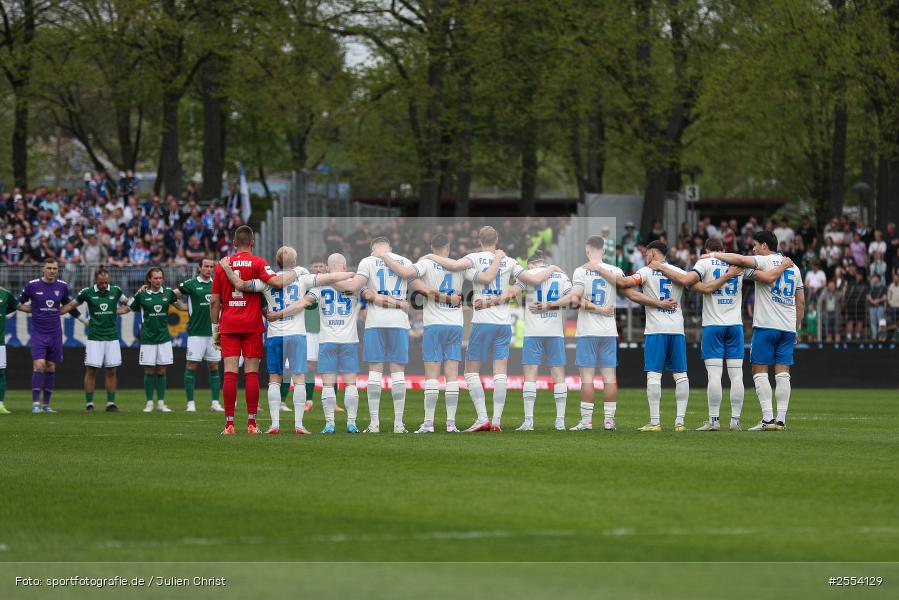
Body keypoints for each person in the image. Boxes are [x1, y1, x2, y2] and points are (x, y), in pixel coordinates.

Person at [421, 225, 560, 431]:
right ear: (498, 240)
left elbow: (454, 265)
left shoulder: (473, 259)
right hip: (503, 323)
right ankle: (496, 421)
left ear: (479, 240)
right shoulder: (510, 261)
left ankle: (482, 417)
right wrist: (552, 268)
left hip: (482, 321)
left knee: (470, 371)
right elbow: (533, 279)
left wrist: (430, 257)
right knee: (500, 372)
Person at [655, 239, 790, 431]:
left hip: (713, 326)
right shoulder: (738, 265)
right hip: (735, 326)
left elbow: (687, 281)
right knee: (736, 377)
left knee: (715, 376)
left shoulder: (705, 262)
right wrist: (784, 265)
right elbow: (767, 277)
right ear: (723, 250)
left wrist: (661, 268)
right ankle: (735, 421)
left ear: (707, 250)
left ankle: (714, 421)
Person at [219, 247, 353, 434]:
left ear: (277, 261)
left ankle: (275, 425)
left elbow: (240, 285)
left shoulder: (266, 281)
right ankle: (298, 425)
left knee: (274, 379)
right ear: (295, 261)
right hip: (297, 335)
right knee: (298, 379)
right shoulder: (303, 278)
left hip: (275, 335)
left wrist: (226, 268)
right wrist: (354, 274)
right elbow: (330, 278)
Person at [569, 236, 677, 431]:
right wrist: (660, 303)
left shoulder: (580, 271)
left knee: (587, 377)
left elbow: (575, 300)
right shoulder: (615, 271)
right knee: (609, 377)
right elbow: (633, 295)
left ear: (587, 250)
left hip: (587, 332)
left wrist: (597, 309)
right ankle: (609, 421)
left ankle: (586, 422)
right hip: (609, 332)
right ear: (603, 251)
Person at [708, 230, 805, 431]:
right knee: (783, 373)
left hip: (766, 325)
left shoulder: (764, 261)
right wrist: (796, 328)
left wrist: (713, 254)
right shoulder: (794, 268)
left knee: (759, 370)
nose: (753, 248)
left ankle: (767, 419)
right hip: (787, 328)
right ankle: (781, 420)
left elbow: (739, 259)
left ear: (764, 246)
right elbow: (801, 301)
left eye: (755, 245)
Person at [374, 234, 465, 433]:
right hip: (456, 324)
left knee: (432, 375)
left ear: (432, 247)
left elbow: (405, 273)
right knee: (452, 374)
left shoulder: (425, 263)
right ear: (448, 247)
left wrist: (384, 256)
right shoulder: (460, 264)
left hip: (434, 324)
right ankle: (451, 424)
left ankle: (429, 423)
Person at [211, 225, 298, 435]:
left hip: (229, 324)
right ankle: (251, 423)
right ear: (252, 243)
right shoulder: (259, 262)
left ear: (234, 243)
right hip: (251, 325)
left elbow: (214, 301)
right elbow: (276, 284)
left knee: (230, 373)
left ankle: (229, 424)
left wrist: (216, 328)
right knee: (251, 373)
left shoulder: (223, 265)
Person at [603, 241, 690, 431]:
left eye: (646, 254)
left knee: (653, 374)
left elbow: (625, 283)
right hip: (677, 328)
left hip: (656, 329)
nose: (645, 257)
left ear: (652, 253)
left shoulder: (646, 271)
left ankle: (655, 421)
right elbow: (692, 283)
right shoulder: (679, 272)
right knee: (681, 375)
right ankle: (680, 422)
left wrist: (606, 272)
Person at [338, 237, 417, 433]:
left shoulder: (367, 261)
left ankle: (374, 424)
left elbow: (353, 287)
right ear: (389, 247)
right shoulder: (405, 262)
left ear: (373, 248)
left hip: (375, 321)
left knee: (375, 371)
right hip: (399, 321)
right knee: (398, 371)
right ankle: (399, 424)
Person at [510, 251, 573, 431]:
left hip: (533, 332)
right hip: (555, 332)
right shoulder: (560, 275)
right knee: (558, 375)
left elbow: (515, 292)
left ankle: (529, 421)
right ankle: (560, 421)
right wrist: (551, 305)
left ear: (530, 265)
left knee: (530, 375)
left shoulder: (526, 274)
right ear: (543, 262)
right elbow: (571, 298)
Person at [307, 253, 366, 432]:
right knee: (350, 383)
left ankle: (330, 423)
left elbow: (307, 303)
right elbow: (367, 295)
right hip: (348, 341)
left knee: (327, 384)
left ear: (328, 267)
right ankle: (351, 423)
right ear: (345, 265)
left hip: (327, 340)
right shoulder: (355, 284)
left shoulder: (319, 286)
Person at [19, 258, 77, 413]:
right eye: (49, 268)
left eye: (54, 268)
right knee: (39, 365)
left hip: (55, 333)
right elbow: (18, 302)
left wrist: (83, 320)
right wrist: (32, 310)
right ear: (43, 269)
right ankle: (35, 403)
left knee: (51, 366)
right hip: (38, 332)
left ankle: (47, 405)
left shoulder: (62, 286)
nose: (52, 271)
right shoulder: (32, 285)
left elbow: (69, 305)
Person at [75, 268, 130, 412]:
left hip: (112, 337)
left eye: (106, 282)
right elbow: (71, 306)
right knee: (91, 370)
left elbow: (128, 304)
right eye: (101, 282)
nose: (104, 285)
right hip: (94, 337)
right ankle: (89, 404)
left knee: (112, 370)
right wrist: (58, 311)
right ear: (95, 280)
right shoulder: (87, 292)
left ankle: (110, 403)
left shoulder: (116, 290)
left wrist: (119, 309)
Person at [174, 258, 222, 413]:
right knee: (191, 365)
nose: (209, 269)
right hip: (196, 333)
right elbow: (173, 295)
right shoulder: (191, 284)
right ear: (200, 268)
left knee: (214, 366)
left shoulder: (218, 284)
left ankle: (215, 403)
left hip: (215, 332)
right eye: (206, 266)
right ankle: (190, 403)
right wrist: (182, 306)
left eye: (211, 267)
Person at [128, 267, 178, 413]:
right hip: (148, 338)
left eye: (160, 277)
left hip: (164, 337)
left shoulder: (168, 293)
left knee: (162, 370)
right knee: (149, 370)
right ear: (149, 279)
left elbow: (179, 305)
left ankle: (161, 403)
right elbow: (130, 307)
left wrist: (197, 309)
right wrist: (137, 292)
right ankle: (149, 403)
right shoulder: (142, 295)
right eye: (155, 278)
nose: (158, 280)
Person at [0, 286, 24, 414]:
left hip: (0, 342)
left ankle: (0, 404)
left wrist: (37, 310)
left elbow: (18, 306)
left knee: (1, 373)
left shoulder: (5, 294)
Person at [867, 274, 887, 342]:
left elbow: (885, 297)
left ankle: (882, 337)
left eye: (874, 278)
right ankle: (874, 337)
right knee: (873, 322)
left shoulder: (883, 287)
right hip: (872, 306)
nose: (873, 279)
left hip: (880, 306)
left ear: (878, 278)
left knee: (881, 322)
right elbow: (868, 296)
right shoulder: (871, 287)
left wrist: (878, 300)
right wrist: (873, 301)